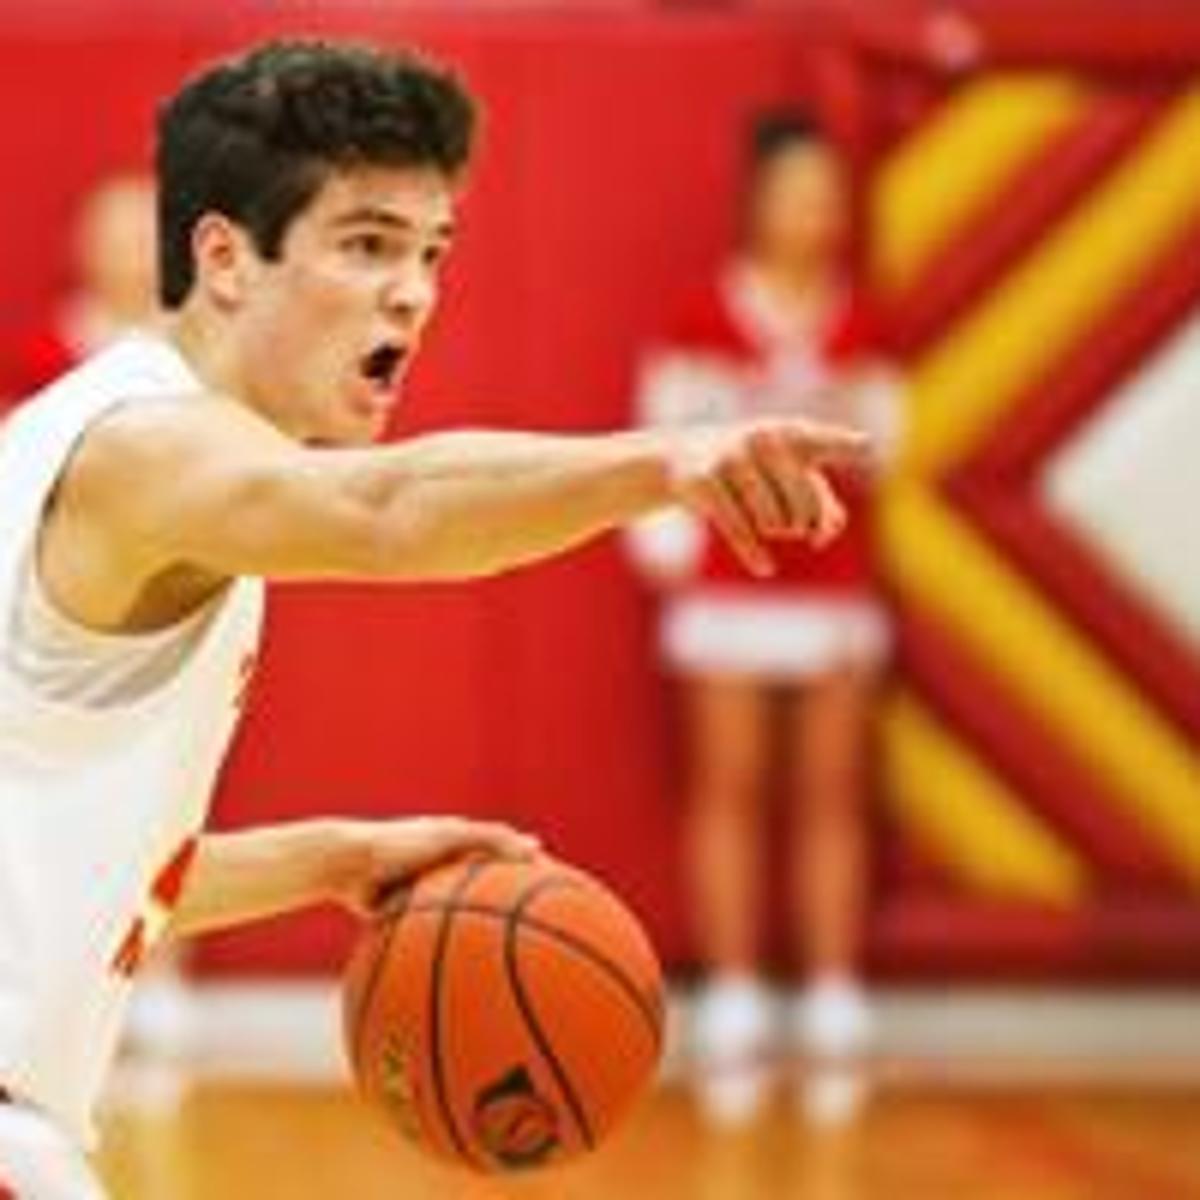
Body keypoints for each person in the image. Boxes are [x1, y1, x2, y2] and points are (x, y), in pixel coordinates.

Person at [0, 40, 867, 1196]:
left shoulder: (122, 445)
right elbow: (391, 509)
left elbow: (66, 877)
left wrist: (335, 858)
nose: (412, 291)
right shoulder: (146, 451)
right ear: (224, 258)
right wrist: (669, 460)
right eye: (366, 246)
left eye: (431, 252)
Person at [627, 111, 901, 1125]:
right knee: (729, 787)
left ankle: (834, 992)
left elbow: (887, 449)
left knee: (833, 791)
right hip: (727, 591)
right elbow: (665, 447)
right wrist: (671, 563)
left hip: (832, 586)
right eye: (797, 191)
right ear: (759, 200)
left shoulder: (863, 321)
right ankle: (737, 991)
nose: (814, 211)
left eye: (829, 194)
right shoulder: (703, 314)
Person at [2, 172, 159, 409]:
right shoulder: (34, 360)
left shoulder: (206, 346)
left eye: (145, 238)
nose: (135, 259)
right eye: (118, 241)